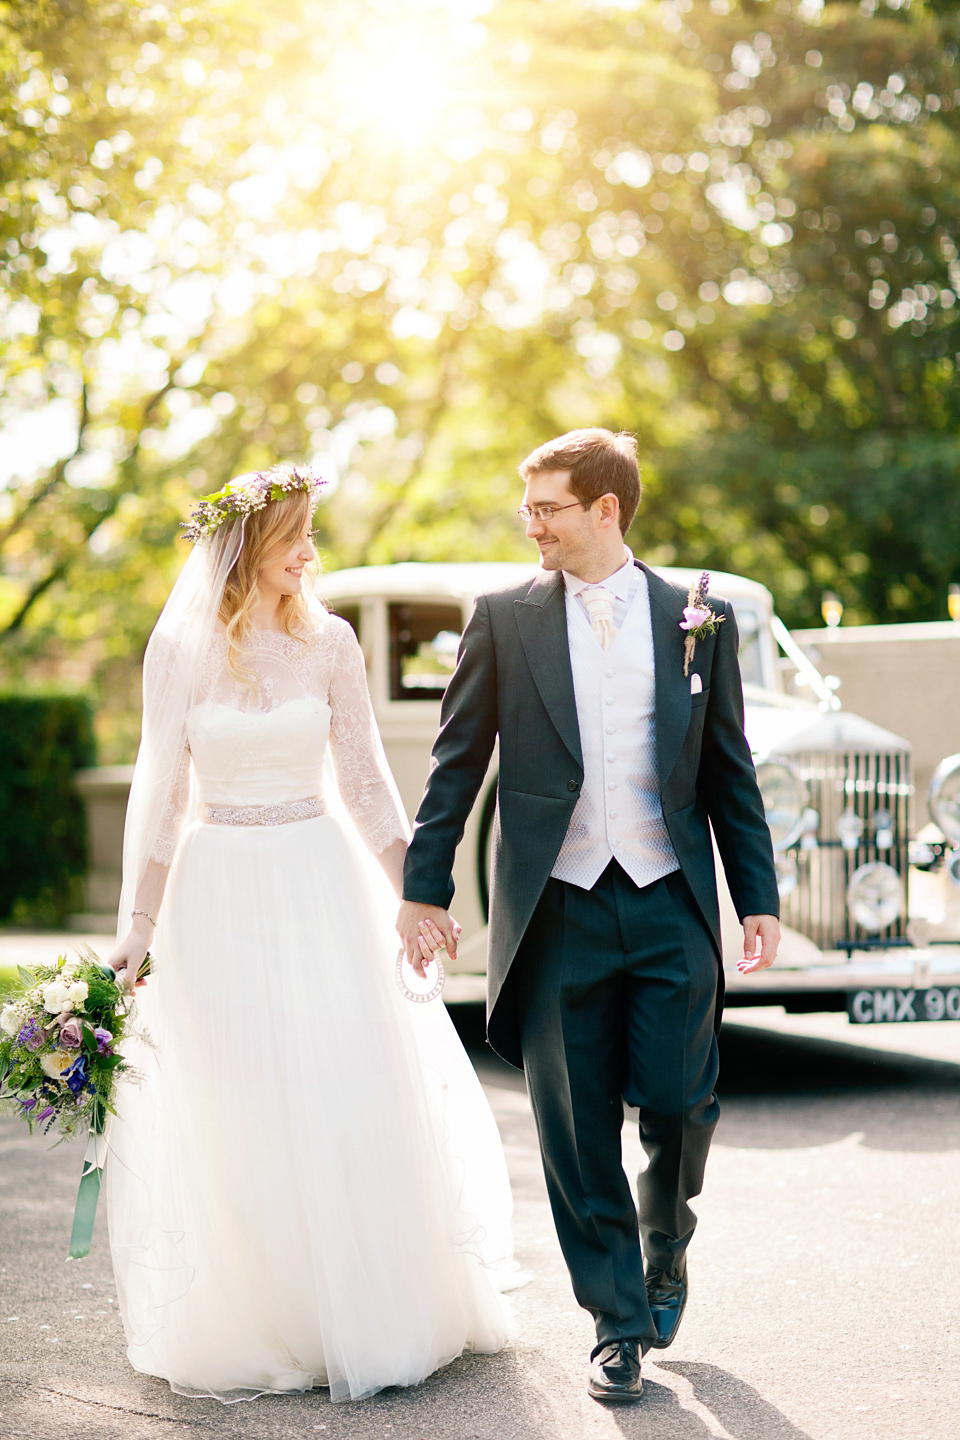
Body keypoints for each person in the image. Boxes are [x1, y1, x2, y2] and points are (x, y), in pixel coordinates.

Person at [105, 465, 516, 1404]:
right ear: (247, 545)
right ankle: (269, 1312)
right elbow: (164, 801)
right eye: (294, 535)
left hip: (319, 883)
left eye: (311, 534)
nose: (309, 552)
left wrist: (416, 897)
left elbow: (369, 782)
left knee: (339, 1085)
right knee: (239, 1098)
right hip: (215, 898)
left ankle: (363, 1309)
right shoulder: (180, 652)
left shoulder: (329, 642)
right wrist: (139, 927)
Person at [398, 428, 780, 1405]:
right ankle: (617, 1320)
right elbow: (456, 764)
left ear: (605, 509)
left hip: (669, 898)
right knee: (574, 1128)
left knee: (680, 1101)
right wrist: (424, 886)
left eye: (548, 508)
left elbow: (729, 770)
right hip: (557, 908)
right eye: (528, 509)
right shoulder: (503, 618)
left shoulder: (698, 621)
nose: (532, 526)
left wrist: (758, 898)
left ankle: (663, 1254)